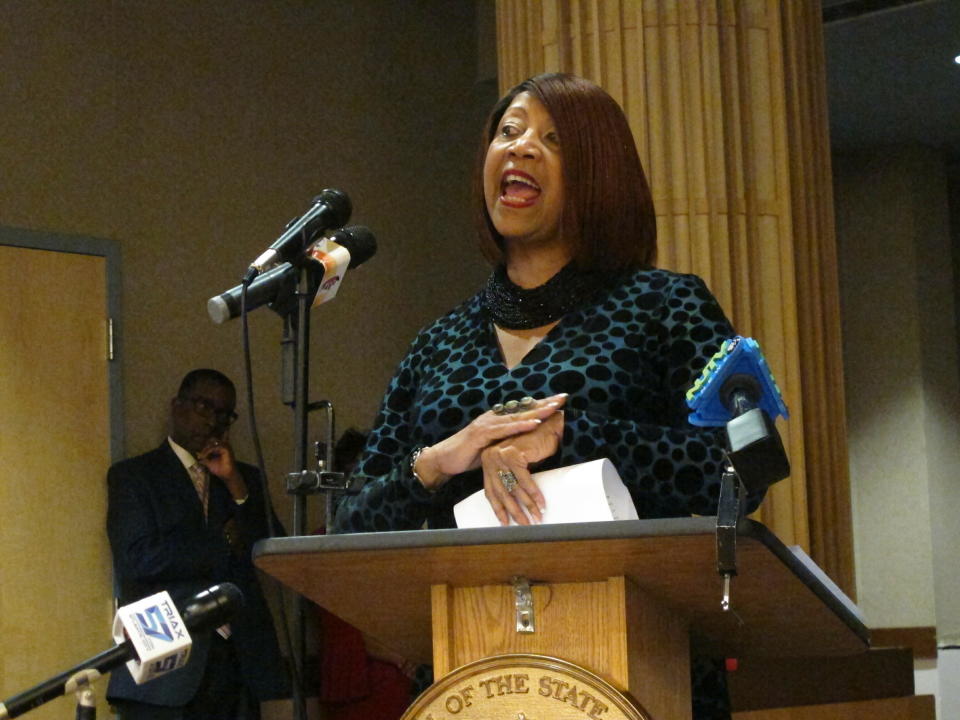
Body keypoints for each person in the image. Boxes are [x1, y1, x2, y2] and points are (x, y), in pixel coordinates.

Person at [332, 73, 766, 719]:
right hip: (469, 680)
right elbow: (351, 528)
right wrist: (439, 461)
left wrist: (572, 437)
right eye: (508, 133)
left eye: (552, 140)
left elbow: (750, 462)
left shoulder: (670, 304)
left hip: (642, 673)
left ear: (599, 174)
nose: (521, 148)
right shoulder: (439, 342)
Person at [107, 368, 288, 720]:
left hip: (238, 662)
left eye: (224, 414)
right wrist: (222, 544)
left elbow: (273, 551)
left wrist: (235, 485)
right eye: (205, 407)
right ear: (177, 406)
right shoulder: (134, 476)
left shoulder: (243, 478)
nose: (214, 421)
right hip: (163, 665)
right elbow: (139, 559)